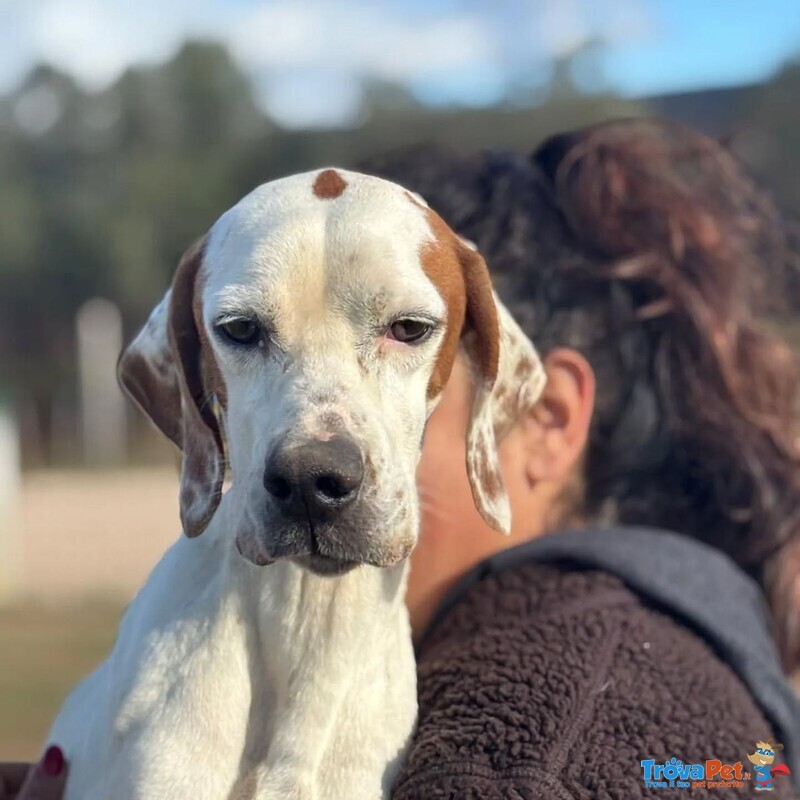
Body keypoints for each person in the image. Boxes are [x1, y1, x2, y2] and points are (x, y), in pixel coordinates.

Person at [2, 118, 799, 799]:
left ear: (530, 406)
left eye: (406, 333)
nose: (316, 450)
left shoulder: (566, 726)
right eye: (245, 333)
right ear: (191, 366)